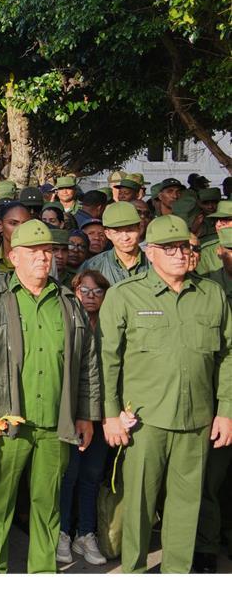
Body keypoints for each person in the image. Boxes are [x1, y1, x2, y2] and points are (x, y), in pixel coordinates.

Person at [98, 214, 232, 574]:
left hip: (197, 421)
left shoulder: (212, 295)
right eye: (169, 248)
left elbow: (228, 353)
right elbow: (107, 360)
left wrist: (226, 411)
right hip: (145, 421)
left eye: (185, 247)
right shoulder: (124, 295)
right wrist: (110, 416)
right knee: (139, 505)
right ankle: (136, 574)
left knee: (186, 508)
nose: (180, 254)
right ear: (150, 252)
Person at [0, 220, 101, 573]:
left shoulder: (69, 304)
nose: (44, 258)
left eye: (48, 251)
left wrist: (85, 414)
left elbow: (87, 363)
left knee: (47, 507)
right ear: (13, 256)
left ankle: (41, 575)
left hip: (57, 424)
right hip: (6, 423)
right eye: (33, 252)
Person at [56, 269, 111, 566]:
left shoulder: (112, 324)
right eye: (84, 291)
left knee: (92, 476)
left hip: (102, 414)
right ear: (74, 291)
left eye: (98, 291)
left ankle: (85, 533)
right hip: (72, 412)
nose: (90, 297)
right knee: (70, 474)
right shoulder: (67, 321)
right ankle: (63, 531)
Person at [196, 225, 232, 572]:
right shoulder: (209, 288)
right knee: (211, 479)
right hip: (218, 398)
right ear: (221, 253)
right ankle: (206, 545)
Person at [78, 202, 149, 284]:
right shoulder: (93, 266)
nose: (125, 237)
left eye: (130, 230)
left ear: (140, 229)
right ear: (107, 234)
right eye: (117, 232)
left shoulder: (155, 262)